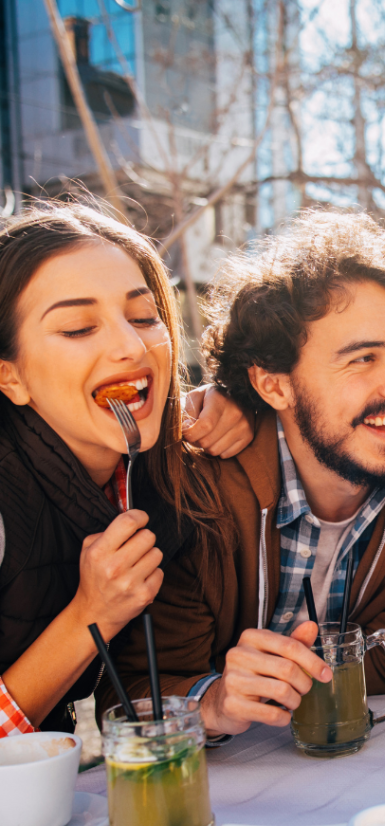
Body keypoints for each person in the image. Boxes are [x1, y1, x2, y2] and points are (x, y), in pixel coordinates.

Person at [106, 209, 385, 737]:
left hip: (371, 772)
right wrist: (213, 701)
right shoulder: (192, 486)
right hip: (225, 789)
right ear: (274, 386)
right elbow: (139, 688)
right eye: (362, 359)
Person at [0, 204, 246, 735]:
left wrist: (236, 402)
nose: (132, 348)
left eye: (142, 317)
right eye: (77, 328)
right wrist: (92, 614)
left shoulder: (159, 476)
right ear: (10, 376)